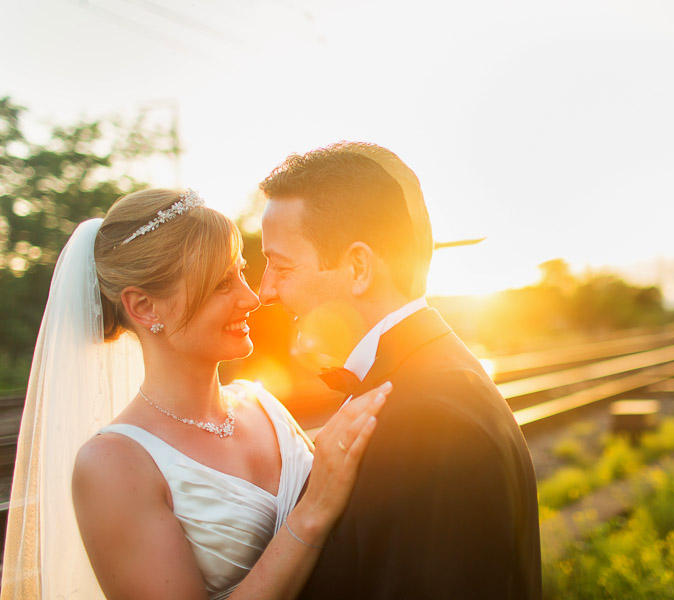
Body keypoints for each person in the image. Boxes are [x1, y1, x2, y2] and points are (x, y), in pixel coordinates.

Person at [0, 188, 390, 600]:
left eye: (240, 272)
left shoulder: (263, 404)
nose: (252, 297)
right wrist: (311, 513)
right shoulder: (113, 464)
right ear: (146, 307)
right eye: (223, 283)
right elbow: (319, 504)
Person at [258, 142, 542, 599]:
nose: (265, 290)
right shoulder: (422, 375)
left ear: (357, 267)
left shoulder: (429, 421)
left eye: (281, 265)